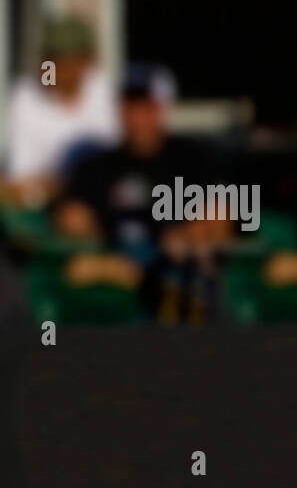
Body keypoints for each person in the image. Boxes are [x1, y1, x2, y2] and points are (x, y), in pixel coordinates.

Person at [55, 65, 231, 323]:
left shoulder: (192, 159)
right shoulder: (96, 165)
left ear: (162, 108)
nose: (136, 117)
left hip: (174, 272)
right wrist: (99, 252)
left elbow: (219, 216)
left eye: (145, 107)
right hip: (115, 271)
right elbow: (72, 217)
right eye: (129, 106)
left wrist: (190, 236)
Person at [1, 16, 118, 206]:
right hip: (46, 202)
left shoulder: (106, 92)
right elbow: (20, 178)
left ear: (87, 60)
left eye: (65, 59)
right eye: (50, 58)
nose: (54, 67)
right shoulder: (27, 94)